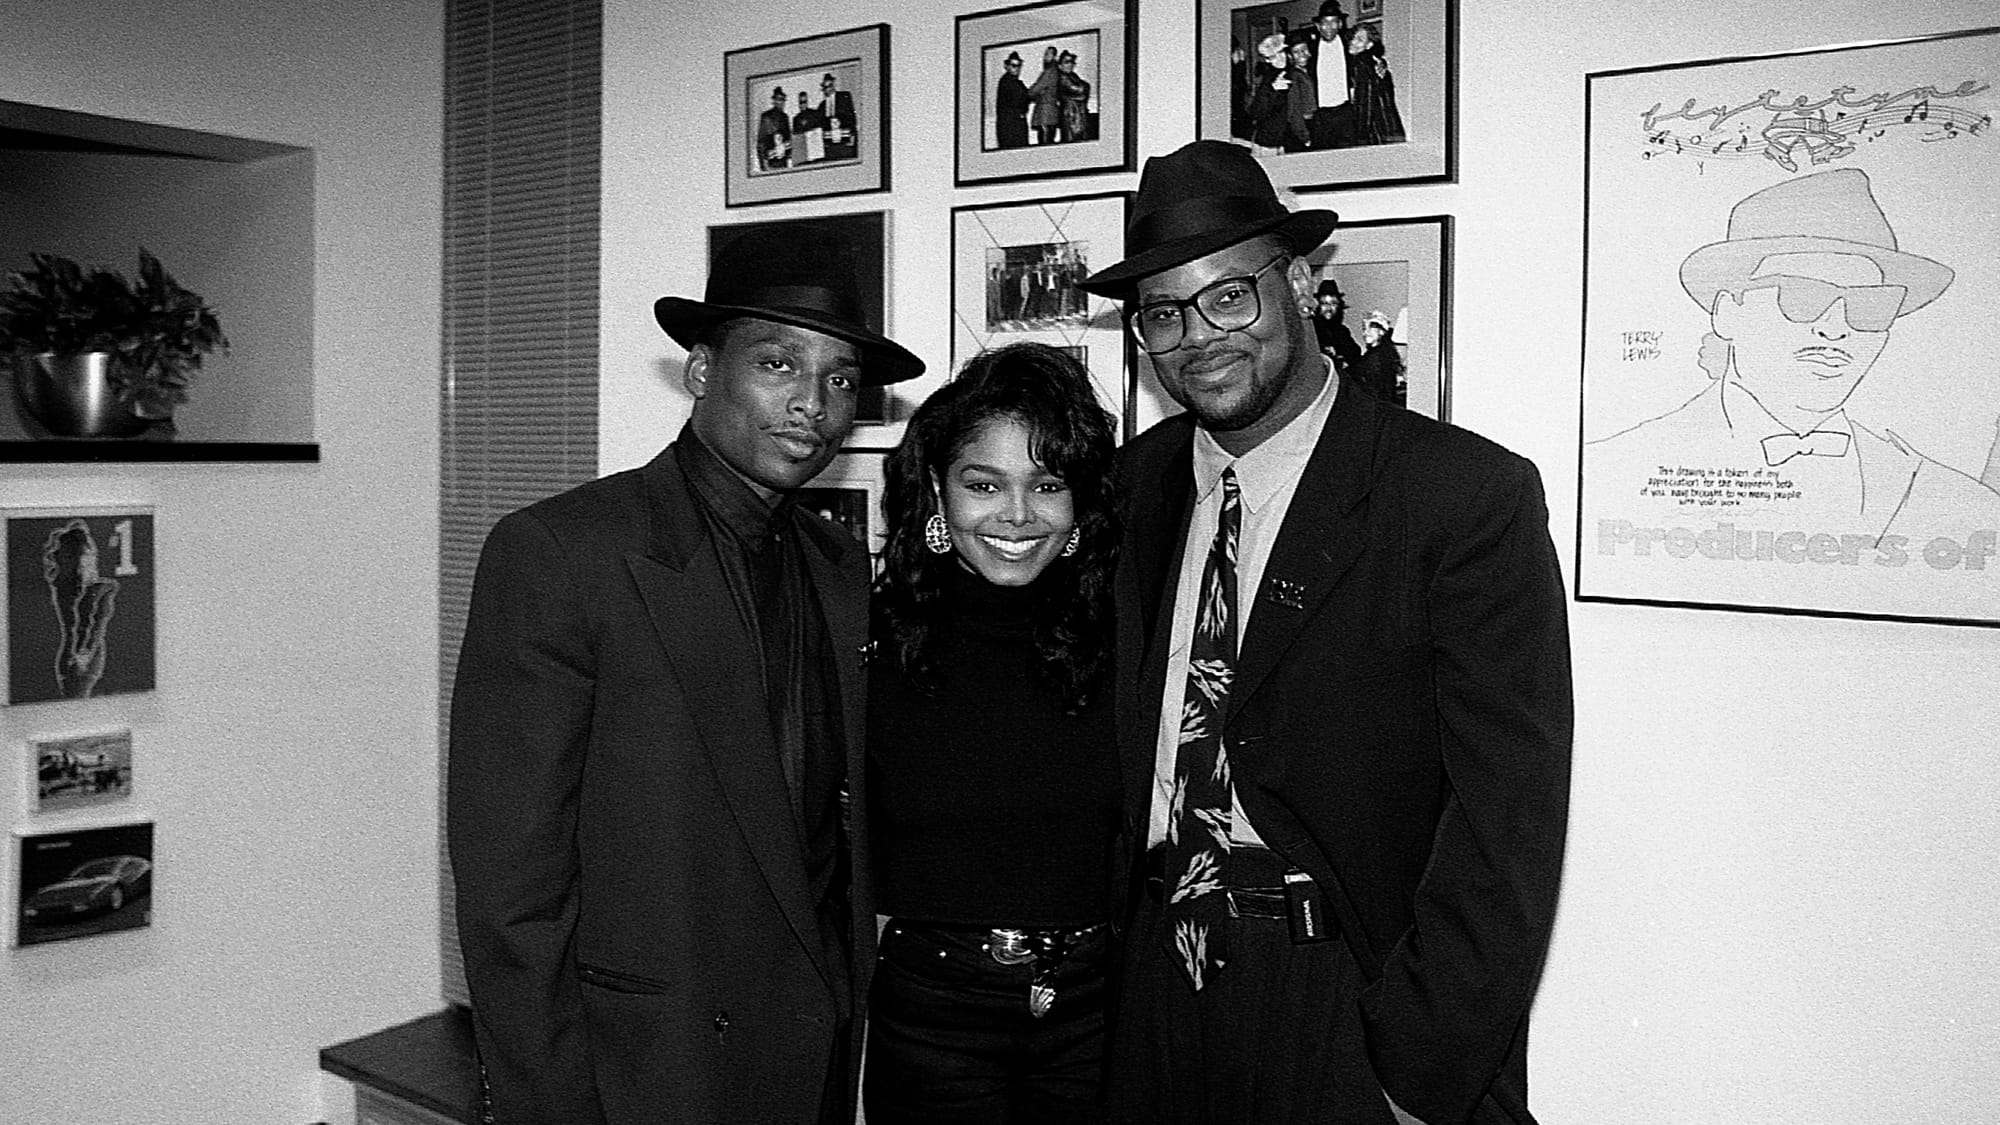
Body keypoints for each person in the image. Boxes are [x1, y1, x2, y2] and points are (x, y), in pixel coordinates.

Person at [1076, 139, 1573, 1125]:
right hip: (1155, 981)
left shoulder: (1457, 496)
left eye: (1228, 296)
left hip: (1341, 988)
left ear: (1300, 281)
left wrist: (1416, 1063)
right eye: (1163, 313)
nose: (1197, 336)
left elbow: (1505, 820)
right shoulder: (1131, 487)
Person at [449, 225, 926, 1125]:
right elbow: (512, 894)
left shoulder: (837, 569)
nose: (812, 405)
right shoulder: (562, 554)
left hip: (812, 1064)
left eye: (837, 380)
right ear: (703, 371)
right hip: (649, 1074)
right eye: (779, 364)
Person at [864, 342, 1123, 1124]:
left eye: (1047, 485)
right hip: (932, 1015)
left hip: (1102, 1012)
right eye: (984, 484)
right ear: (937, 494)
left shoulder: (1133, 636)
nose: (1016, 514)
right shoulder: (868, 641)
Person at [1587, 167, 2000, 544]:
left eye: (1870, 308)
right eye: (1803, 297)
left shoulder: (1957, 500)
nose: (1835, 327)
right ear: (1727, 312)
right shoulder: (1613, 465)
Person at [1304, 1, 1355, 149]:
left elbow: (1372, 48)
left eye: (1334, 22)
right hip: (1320, 115)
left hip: (1345, 112)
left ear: (1340, 24)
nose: (1329, 27)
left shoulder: (1349, 43)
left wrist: (1379, 61)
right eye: (1325, 23)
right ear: (1318, 26)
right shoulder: (1310, 48)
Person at [1346, 22, 1406, 145]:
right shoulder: (1374, 62)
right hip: (1390, 128)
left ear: (1369, 45)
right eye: (1353, 38)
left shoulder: (1361, 64)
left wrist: (1360, 137)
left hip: (1375, 131)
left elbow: (1365, 103)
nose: (1353, 42)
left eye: (1359, 40)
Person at [1351, 310, 1406, 406]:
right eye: (1364, 329)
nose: (1365, 333)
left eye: (1371, 328)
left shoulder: (1377, 357)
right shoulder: (1382, 353)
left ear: (1381, 331)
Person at [1311, 278, 1362, 372]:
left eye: (1333, 304)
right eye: (1324, 304)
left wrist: (1339, 354)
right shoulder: (1311, 329)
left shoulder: (1342, 331)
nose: (1329, 308)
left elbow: (1355, 353)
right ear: (1318, 305)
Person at [996, 50, 1031, 149]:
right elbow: (1022, 97)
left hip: (1016, 125)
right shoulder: (1007, 82)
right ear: (1006, 66)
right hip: (1010, 127)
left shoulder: (1016, 82)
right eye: (1013, 65)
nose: (1017, 69)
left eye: (1019, 66)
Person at [819, 72, 858, 161]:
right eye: (825, 87)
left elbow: (851, 117)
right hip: (831, 142)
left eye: (830, 85)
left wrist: (852, 135)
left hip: (844, 138)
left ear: (834, 84)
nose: (828, 89)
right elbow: (822, 125)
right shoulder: (822, 106)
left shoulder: (844, 96)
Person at [1056, 50, 1092, 143]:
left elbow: (1085, 87)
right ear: (1060, 65)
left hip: (1079, 113)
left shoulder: (1073, 76)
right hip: (1070, 113)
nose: (1070, 65)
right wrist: (1082, 91)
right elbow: (1079, 89)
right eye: (1066, 62)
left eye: (1072, 62)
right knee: (1071, 140)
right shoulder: (1062, 77)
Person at [1029, 46, 1062, 145]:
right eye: (1045, 54)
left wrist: (1027, 94)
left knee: (1044, 143)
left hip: (1045, 113)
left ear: (1055, 57)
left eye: (1048, 54)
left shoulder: (1049, 71)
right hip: (1051, 112)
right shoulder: (1056, 71)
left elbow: (1036, 89)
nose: (1045, 57)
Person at [756, 85, 791, 170]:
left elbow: (788, 138)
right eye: (778, 99)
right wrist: (764, 164)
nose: (781, 102)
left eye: (782, 100)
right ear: (774, 101)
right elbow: (761, 141)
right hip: (771, 160)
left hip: (782, 159)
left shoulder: (784, 117)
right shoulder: (766, 117)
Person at [793, 87, 826, 165]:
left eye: (804, 102)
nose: (803, 105)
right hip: (804, 152)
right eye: (801, 102)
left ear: (807, 102)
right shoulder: (796, 119)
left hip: (816, 150)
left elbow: (819, 129)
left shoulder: (814, 114)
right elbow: (796, 136)